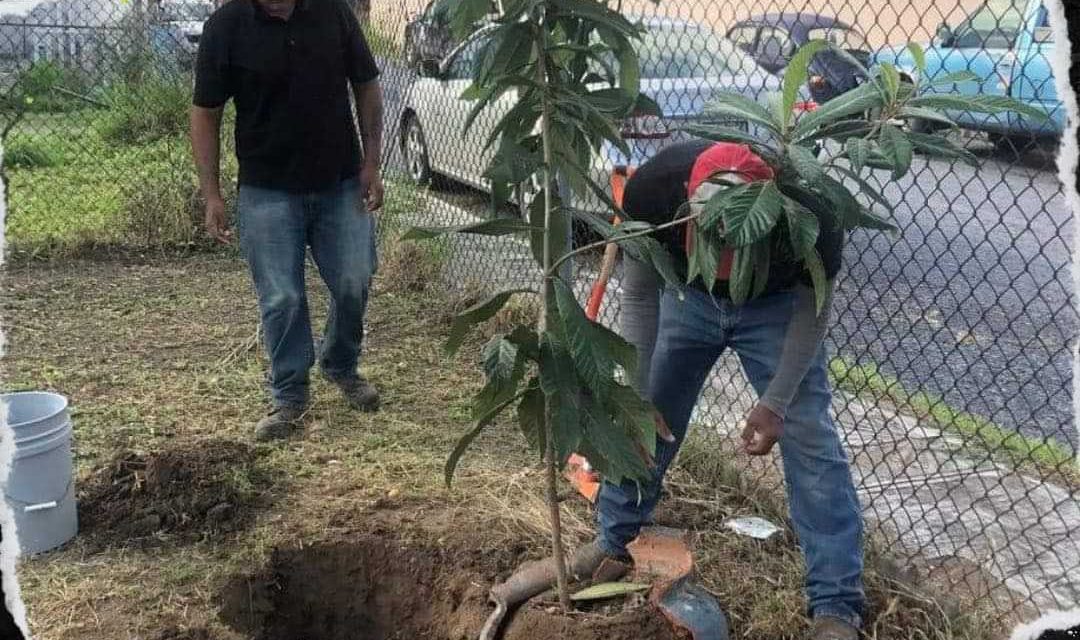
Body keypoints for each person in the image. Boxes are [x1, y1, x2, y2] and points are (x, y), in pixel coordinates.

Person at [584, 140, 865, 640]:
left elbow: (812, 310)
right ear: (686, 210)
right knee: (648, 416)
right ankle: (613, 538)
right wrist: (639, 395)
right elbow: (642, 295)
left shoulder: (813, 214)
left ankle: (835, 605)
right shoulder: (652, 191)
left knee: (809, 439)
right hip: (686, 296)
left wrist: (775, 402)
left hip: (775, 308)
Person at [190, 0, 385, 441]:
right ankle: (290, 394)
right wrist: (212, 194)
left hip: (339, 182)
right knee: (282, 297)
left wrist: (371, 162)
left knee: (355, 278)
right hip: (266, 190)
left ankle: (340, 363)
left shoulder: (332, 13)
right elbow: (205, 112)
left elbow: (367, 84)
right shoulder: (226, 26)